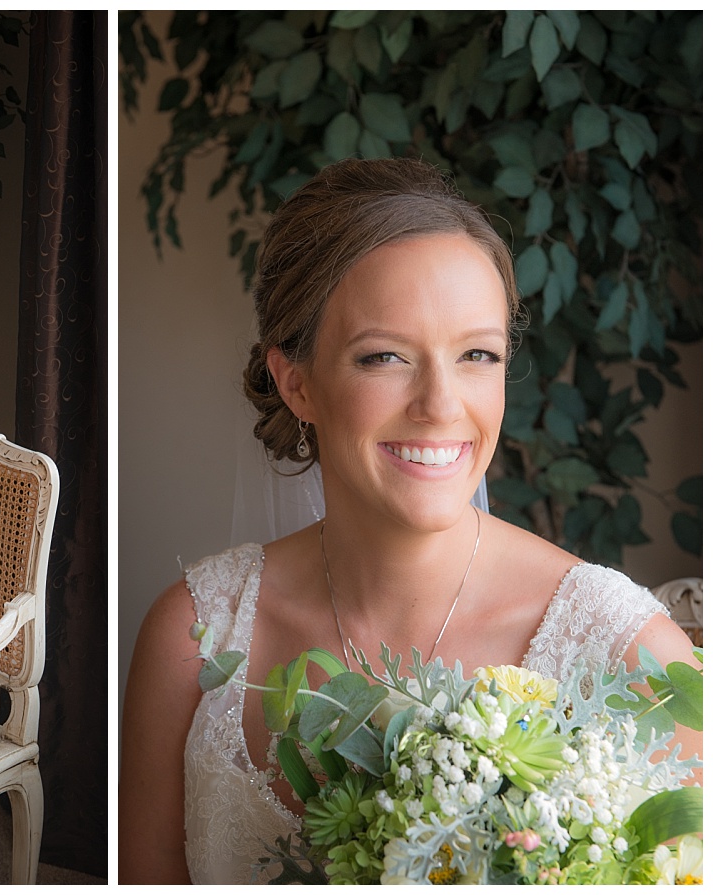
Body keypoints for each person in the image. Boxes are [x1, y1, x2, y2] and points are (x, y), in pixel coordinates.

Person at [119, 158, 701, 884]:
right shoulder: (192, 635)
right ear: (296, 380)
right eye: (385, 355)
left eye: (477, 355)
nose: (440, 404)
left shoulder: (625, 652)